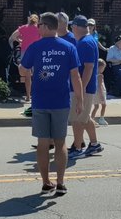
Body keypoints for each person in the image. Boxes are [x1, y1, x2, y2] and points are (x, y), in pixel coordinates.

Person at [19, 11, 84, 197]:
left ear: (46, 27)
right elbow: (75, 76)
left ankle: (47, 182)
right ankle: (61, 182)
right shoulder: (69, 47)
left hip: (40, 101)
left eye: (39, 25)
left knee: (42, 143)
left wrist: (22, 68)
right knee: (60, 141)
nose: (37, 28)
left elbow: (24, 70)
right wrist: (79, 100)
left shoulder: (35, 47)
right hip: (61, 101)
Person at [66, 14, 102, 159]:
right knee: (85, 117)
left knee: (77, 119)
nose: (71, 29)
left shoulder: (85, 43)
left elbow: (88, 68)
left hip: (83, 88)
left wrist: (81, 89)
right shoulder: (89, 40)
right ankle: (94, 144)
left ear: (75, 27)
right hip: (86, 87)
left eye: (71, 27)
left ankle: (78, 148)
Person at [9, 13, 41, 109]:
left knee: (27, 75)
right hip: (36, 51)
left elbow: (13, 36)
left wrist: (20, 40)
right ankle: (36, 95)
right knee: (37, 75)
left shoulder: (23, 28)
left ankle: (28, 96)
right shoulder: (39, 29)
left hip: (25, 52)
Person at [91, 59, 108, 125]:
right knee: (104, 105)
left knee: (96, 106)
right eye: (103, 68)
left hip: (95, 92)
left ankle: (92, 119)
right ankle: (101, 118)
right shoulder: (100, 76)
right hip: (100, 92)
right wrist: (102, 96)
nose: (103, 70)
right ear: (100, 67)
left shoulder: (93, 74)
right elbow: (100, 86)